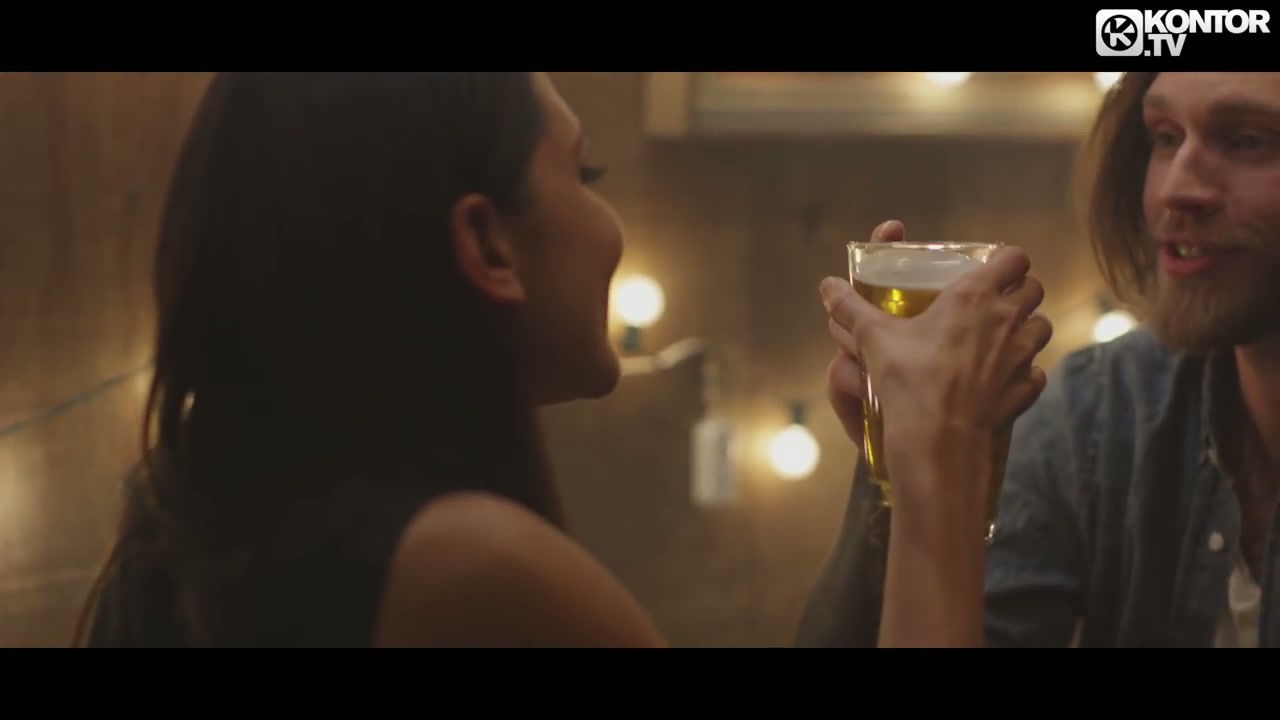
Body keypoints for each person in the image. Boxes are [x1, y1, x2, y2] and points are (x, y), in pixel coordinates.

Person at [75, 72, 1048, 648]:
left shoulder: (211, 514)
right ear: (486, 245)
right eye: (583, 172)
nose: (607, 221)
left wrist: (896, 470)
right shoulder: (461, 563)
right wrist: (940, 460)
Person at [797, 71, 1280, 648]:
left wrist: (936, 450)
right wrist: (905, 459)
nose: (1174, 189)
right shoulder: (1102, 409)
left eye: (1248, 140)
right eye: (1167, 137)